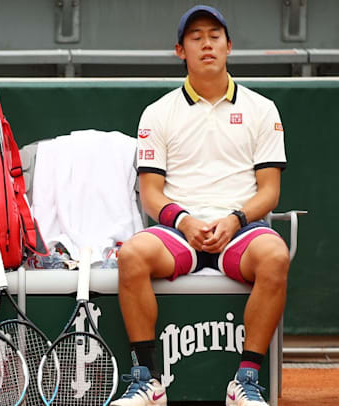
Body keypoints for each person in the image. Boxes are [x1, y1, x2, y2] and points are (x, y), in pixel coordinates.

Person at [110, 5, 289, 406]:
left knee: (276, 255)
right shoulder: (157, 113)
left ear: (229, 47)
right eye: (195, 37)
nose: (206, 44)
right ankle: (146, 381)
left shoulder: (263, 110)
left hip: (240, 230)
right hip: (178, 232)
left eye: (214, 35)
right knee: (132, 255)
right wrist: (186, 221)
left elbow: (269, 191)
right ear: (180, 51)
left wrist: (235, 218)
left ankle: (245, 381)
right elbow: (152, 193)